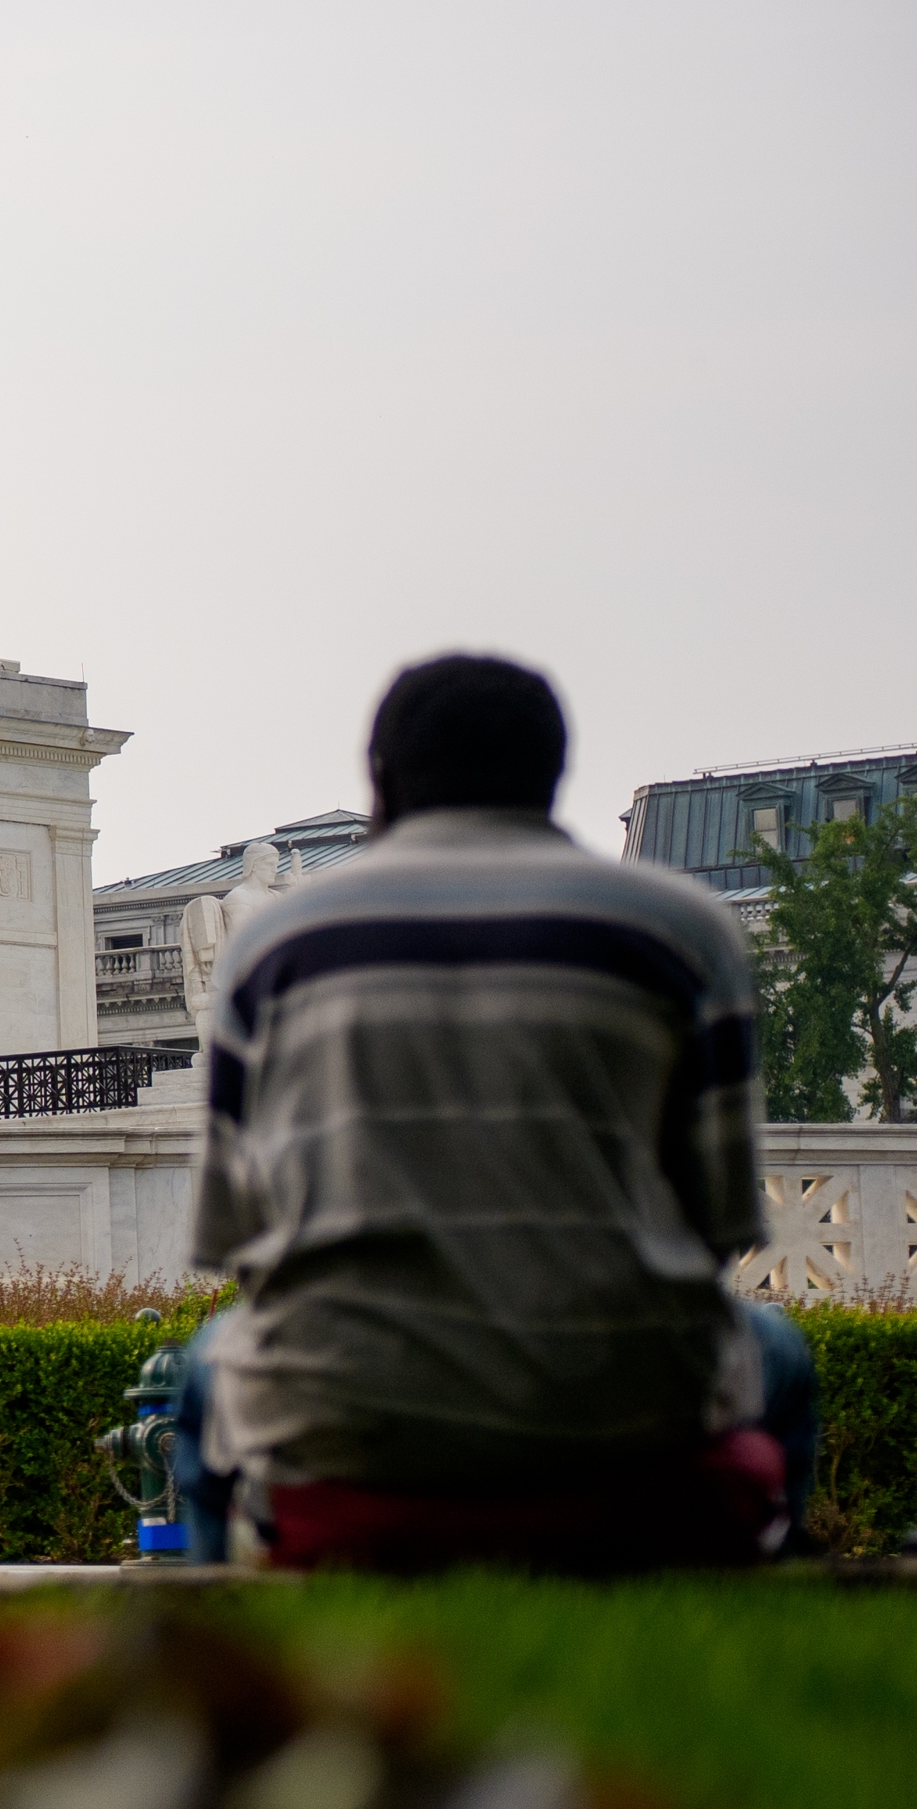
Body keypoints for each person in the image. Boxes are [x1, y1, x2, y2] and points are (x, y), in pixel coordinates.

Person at [166, 653, 817, 1567]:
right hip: (626, 1417)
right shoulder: (682, 931)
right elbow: (718, 1226)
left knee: (206, 1372)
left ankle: (227, 1647)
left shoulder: (275, 946)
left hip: (350, 1427)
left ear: (381, 783)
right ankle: (755, 1597)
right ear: (553, 775)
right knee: (778, 1350)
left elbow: (237, 1239)